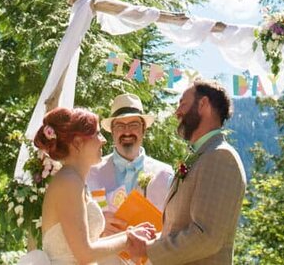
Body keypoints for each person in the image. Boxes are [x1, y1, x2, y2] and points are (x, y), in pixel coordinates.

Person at [125, 79, 245, 265]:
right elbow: (181, 228)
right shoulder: (204, 154)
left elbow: (207, 236)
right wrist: (152, 240)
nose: (177, 112)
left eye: (183, 103)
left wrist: (148, 249)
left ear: (203, 104)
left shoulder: (220, 157)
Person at [33, 106, 156, 265]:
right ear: (78, 143)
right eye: (97, 134)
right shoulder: (68, 182)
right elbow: (85, 253)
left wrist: (131, 233)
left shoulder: (74, 179)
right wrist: (128, 239)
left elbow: (90, 243)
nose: (103, 140)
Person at [87, 93, 174, 231]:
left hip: (150, 251)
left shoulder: (165, 174)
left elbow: (173, 224)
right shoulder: (91, 172)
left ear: (143, 129)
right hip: (104, 251)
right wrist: (96, 224)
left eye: (133, 125)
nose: (127, 132)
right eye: (120, 126)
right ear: (112, 132)